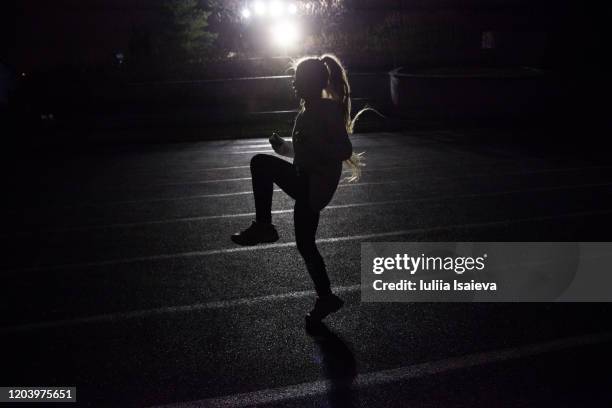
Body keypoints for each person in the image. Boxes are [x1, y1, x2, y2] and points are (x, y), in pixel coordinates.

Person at [231, 54, 365, 324]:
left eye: (297, 79)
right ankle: (326, 297)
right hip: (307, 182)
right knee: (305, 245)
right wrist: (284, 148)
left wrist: (311, 147)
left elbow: (343, 149)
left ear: (311, 82)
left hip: (312, 184)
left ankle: (264, 226)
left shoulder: (327, 110)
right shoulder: (308, 111)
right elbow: (305, 149)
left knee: (260, 164)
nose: (293, 84)